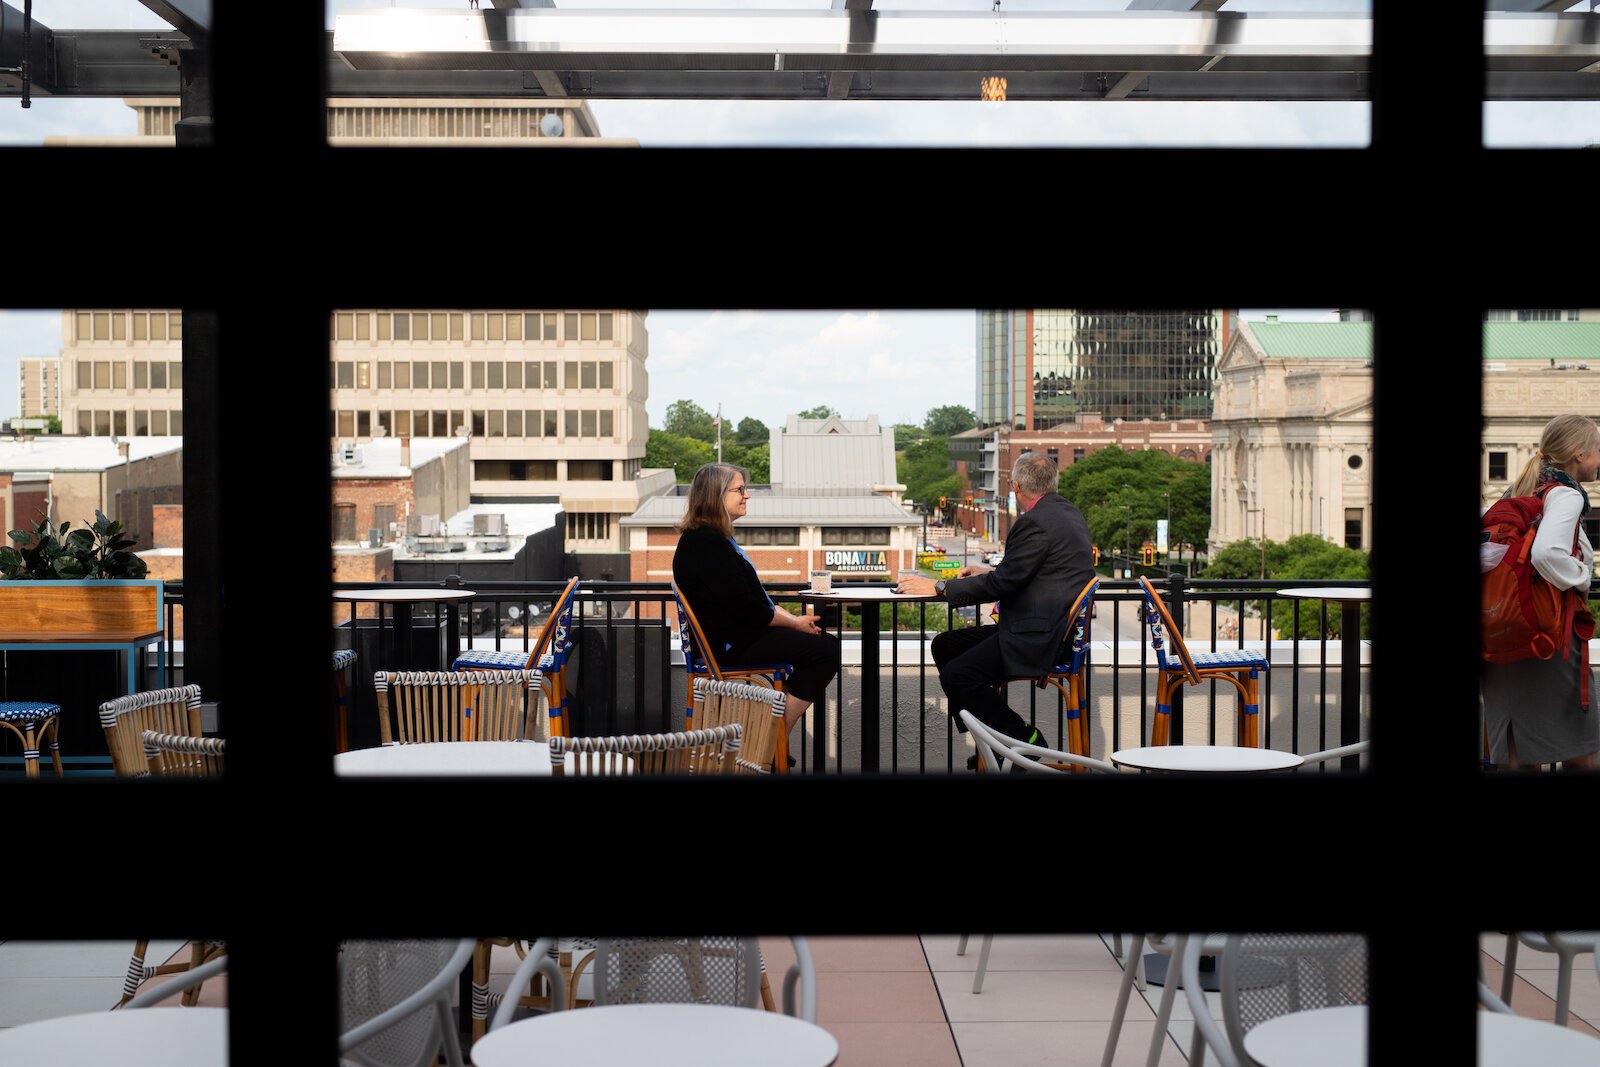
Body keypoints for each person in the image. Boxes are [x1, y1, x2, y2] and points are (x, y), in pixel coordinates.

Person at [897, 452, 1095, 765]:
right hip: (1052, 632)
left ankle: (1023, 739)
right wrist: (988, 573)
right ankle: (989, 743)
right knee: (945, 646)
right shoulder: (1068, 513)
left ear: (1016, 487)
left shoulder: (1035, 523)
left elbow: (1003, 585)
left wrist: (938, 587)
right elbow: (1026, 573)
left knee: (957, 677)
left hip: (1039, 639)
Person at [672, 463, 840, 761]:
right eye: (739, 490)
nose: (746, 496)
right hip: (728, 646)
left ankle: (770, 735)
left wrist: (793, 622)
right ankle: (769, 741)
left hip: (736, 637)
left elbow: (750, 601)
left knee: (824, 646)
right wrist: (794, 624)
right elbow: (748, 608)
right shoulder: (707, 543)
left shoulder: (711, 539)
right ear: (715, 495)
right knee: (823, 653)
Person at [1482, 413, 1600, 771]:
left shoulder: (1519, 489)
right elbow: (1547, 553)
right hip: (1548, 635)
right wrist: (1581, 577)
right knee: (1581, 750)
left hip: (1502, 630)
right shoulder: (1565, 494)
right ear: (1579, 454)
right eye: (1598, 449)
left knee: (1515, 753)